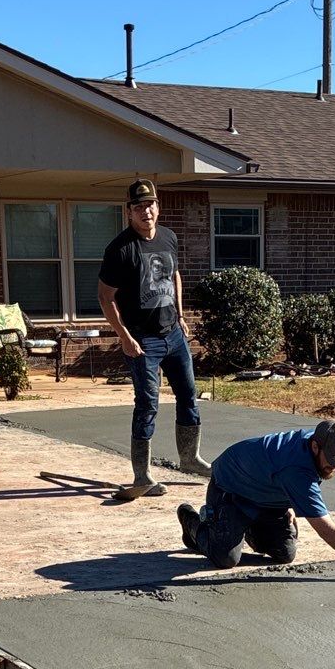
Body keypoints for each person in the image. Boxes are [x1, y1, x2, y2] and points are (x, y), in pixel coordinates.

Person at [176, 418, 335, 578]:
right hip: (232, 489)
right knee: (225, 558)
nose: (333, 467)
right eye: (330, 460)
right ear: (316, 447)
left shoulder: (319, 439)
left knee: (285, 553)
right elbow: (325, 529)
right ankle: (194, 522)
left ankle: (247, 528)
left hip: (265, 493)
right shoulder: (296, 470)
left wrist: (289, 502)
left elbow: (279, 471)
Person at [97, 179, 210, 504]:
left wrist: (181, 315)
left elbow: (174, 274)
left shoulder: (169, 237)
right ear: (129, 211)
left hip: (173, 334)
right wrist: (125, 338)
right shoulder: (120, 249)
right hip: (142, 341)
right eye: (139, 207)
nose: (146, 211)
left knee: (189, 394)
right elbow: (106, 298)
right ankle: (142, 475)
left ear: (157, 206)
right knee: (147, 404)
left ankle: (190, 458)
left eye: (151, 205)